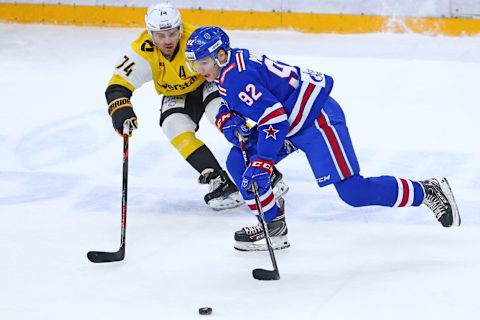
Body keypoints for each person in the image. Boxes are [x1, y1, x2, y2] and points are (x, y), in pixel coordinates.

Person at [185, 26, 461, 251]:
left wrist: (264, 162)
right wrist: (227, 118)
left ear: (220, 55)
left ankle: (427, 190)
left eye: (204, 63)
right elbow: (250, 102)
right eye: (196, 64)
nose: (200, 70)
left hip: (315, 118)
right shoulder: (230, 66)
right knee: (238, 160)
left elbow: (273, 118)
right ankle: (273, 227)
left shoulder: (236, 76)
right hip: (289, 120)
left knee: (353, 192)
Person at [105, 3, 288, 210]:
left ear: (180, 29)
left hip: (208, 81)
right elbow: (116, 85)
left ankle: (264, 171)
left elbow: (224, 61)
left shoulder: (196, 40)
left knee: (220, 116)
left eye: (172, 33)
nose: (167, 41)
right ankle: (219, 179)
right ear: (150, 33)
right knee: (173, 125)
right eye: (160, 35)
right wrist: (121, 109)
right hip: (177, 93)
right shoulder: (141, 50)